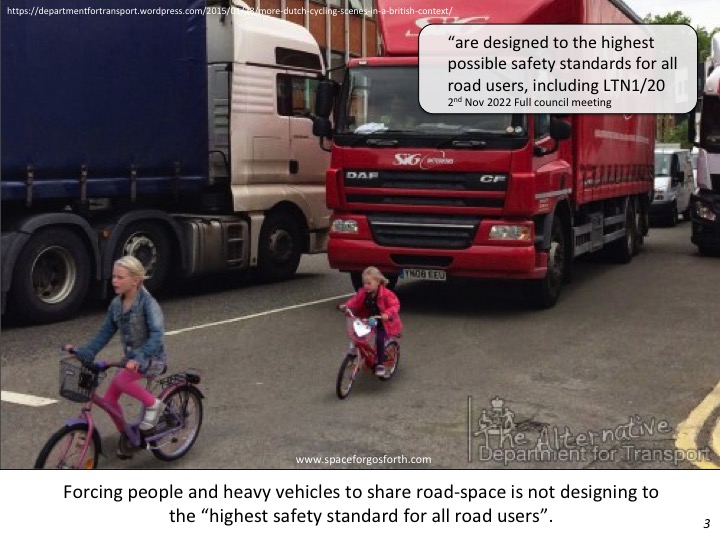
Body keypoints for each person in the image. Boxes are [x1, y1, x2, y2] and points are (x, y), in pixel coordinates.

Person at [64, 255, 167, 455]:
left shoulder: (148, 304)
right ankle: (129, 436)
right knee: (110, 401)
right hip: (131, 361)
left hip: (151, 359)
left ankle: (154, 405)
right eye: (114, 276)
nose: (114, 281)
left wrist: (138, 358)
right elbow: (104, 333)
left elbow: (157, 336)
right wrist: (85, 351)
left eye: (120, 277)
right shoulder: (116, 305)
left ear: (135, 280)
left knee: (121, 381)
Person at [339, 266, 403, 377]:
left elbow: (395, 305)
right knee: (357, 334)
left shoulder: (386, 294)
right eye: (364, 283)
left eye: (369, 283)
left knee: (379, 339)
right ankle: (353, 354)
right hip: (369, 319)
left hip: (383, 321)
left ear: (378, 282)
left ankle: (380, 364)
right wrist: (347, 306)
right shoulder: (363, 292)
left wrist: (386, 314)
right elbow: (355, 300)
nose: (366, 286)